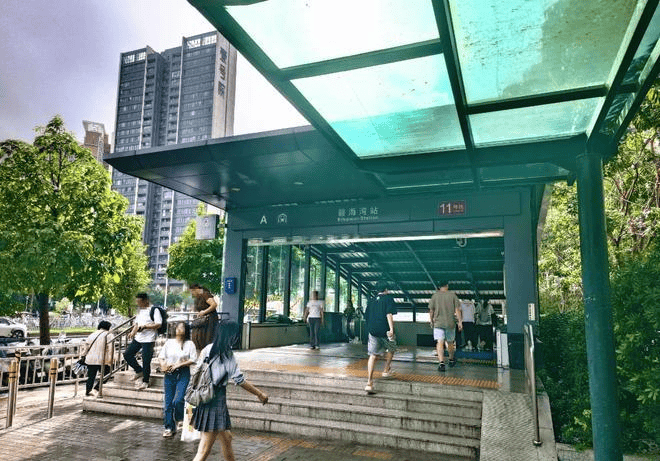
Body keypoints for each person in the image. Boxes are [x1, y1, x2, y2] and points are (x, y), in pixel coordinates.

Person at [191, 322, 268, 461]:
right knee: (203, 451)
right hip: (215, 400)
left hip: (204, 397)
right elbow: (240, 381)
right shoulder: (227, 354)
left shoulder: (207, 349)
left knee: (227, 438)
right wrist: (260, 394)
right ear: (230, 336)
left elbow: (197, 373)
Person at [158, 321, 197, 438]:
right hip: (169, 373)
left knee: (178, 399)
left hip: (183, 373)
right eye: (177, 327)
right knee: (168, 403)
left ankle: (180, 418)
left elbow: (193, 359)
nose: (179, 329)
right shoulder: (169, 343)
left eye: (182, 327)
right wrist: (163, 365)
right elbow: (161, 357)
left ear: (186, 330)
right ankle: (169, 428)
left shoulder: (190, 344)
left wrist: (179, 364)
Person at [363, 281, 397, 394]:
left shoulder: (371, 300)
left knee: (373, 355)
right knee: (392, 348)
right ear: (386, 289)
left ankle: (369, 383)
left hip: (372, 331)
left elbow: (366, 316)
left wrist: (370, 328)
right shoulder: (388, 298)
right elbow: (389, 314)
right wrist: (391, 329)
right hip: (385, 330)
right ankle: (386, 370)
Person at [124, 293, 162, 390]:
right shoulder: (140, 311)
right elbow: (137, 324)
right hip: (138, 338)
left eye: (140, 302)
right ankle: (139, 371)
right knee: (127, 354)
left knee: (146, 360)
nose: (138, 304)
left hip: (149, 339)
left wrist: (145, 326)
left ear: (146, 301)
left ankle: (146, 381)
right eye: (137, 302)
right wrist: (132, 332)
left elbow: (158, 324)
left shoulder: (154, 310)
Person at [428, 281, 463, 372]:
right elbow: (457, 310)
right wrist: (460, 322)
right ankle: (451, 360)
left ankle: (441, 363)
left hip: (438, 323)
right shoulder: (453, 295)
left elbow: (431, 310)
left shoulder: (434, 296)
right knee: (450, 342)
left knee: (440, 342)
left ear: (439, 286)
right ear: (447, 285)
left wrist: (431, 321)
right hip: (450, 323)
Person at [83, 320, 114, 396]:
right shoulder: (109, 335)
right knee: (107, 374)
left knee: (91, 377)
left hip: (90, 359)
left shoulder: (92, 334)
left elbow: (86, 348)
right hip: (102, 359)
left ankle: (88, 391)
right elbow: (111, 349)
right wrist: (110, 360)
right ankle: (96, 388)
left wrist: (83, 356)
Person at [190, 283, 219, 351]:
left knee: (207, 339)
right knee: (200, 338)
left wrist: (204, 312)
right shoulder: (198, 297)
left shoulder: (205, 294)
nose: (192, 294)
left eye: (192, 291)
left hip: (210, 320)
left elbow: (214, 305)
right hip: (203, 321)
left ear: (196, 289)